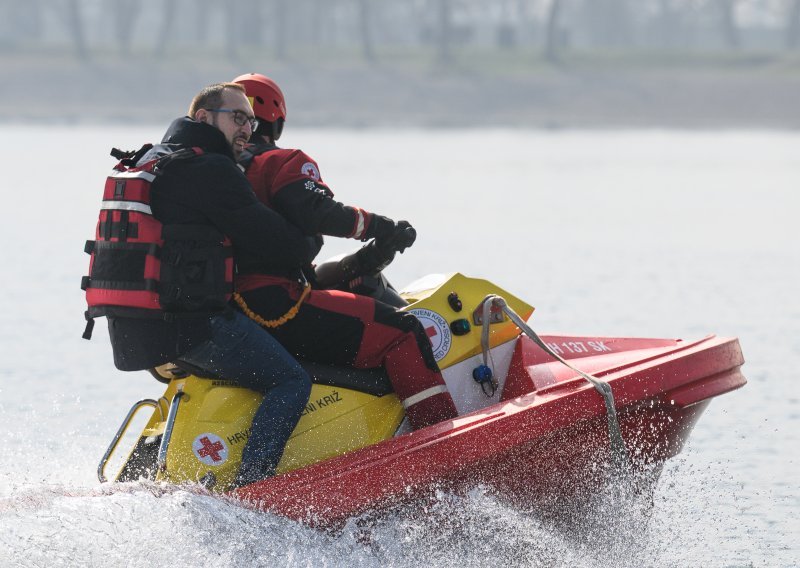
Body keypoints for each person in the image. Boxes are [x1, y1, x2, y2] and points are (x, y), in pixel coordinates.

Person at [87, 82, 313, 487]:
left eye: (251, 119)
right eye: (237, 117)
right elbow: (272, 239)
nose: (247, 127)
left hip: (132, 328)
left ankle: (146, 478)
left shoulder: (154, 159)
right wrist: (311, 238)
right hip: (189, 325)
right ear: (204, 118)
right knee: (290, 380)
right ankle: (254, 489)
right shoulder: (210, 168)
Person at [229, 72, 458, 429]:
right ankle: (444, 440)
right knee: (404, 332)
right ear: (276, 118)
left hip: (231, 313)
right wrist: (381, 227)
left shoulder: (215, 171)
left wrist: (365, 259)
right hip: (276, 305)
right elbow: (319, 213)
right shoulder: (280, 162)